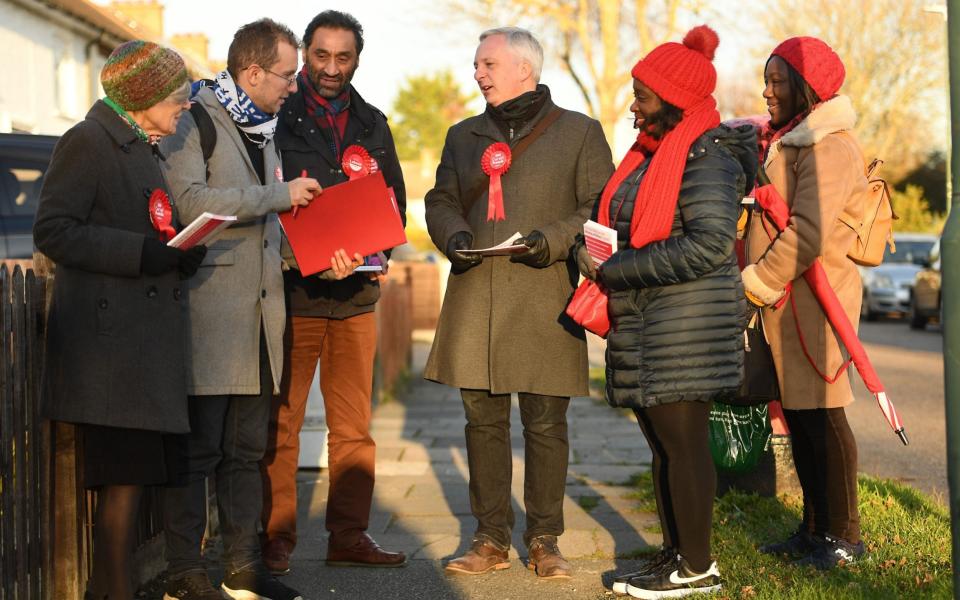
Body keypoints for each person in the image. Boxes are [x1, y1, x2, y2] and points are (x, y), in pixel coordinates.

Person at [158, 19, 343, 600]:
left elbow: (270, 232)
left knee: (245, 454)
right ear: (253, 72)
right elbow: (189, 201)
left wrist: (316, 259)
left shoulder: (262, 125)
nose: (296, 86)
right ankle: (186, 573)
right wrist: (276, 196)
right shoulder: (191, 120)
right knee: (197, 455)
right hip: (209, 320)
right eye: (288, 75)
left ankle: (241, 569)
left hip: (262, 326)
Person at [424, 26, 613, 579]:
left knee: (546, 425)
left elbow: (597, 208)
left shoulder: (579, 133)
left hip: (544, 296)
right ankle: (488, 539)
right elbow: (440, 198)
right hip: (475, 294)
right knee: (481, 423)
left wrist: (551, 240)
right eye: (477, 64)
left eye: (487, 63)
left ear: (523, 69)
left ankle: (545, 540)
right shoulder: (463, 136)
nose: (477, 73)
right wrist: (453, 235)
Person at [577, 25, 757, 599]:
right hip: (652, 323)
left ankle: (699, 566)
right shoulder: (654, 157)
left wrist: (617, 269)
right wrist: (595, 251)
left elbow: (706, 246)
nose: (634, 105)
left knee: (683, 447)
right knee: (663, 448)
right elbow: (634, 228)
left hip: (686, 329)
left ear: (675, 101)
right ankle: (675, 555)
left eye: (643, 95)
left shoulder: (706, 159)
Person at [32, 41, 204, 600]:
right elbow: (53, 230)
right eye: (178, 97)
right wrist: (141, 253)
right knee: (122, 490)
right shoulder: (87, 142)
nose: (184, 107)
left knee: (133, 490)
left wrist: (179, 250)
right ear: (145, 95)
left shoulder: (139, 147)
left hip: (138, 350)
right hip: (108, 355)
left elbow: (146, 229)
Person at [260, 9, 407, 574]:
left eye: (342, 58)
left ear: (357, 61)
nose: (330, 68)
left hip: (356, 300)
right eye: (320, 55)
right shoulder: (279, 118)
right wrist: (312, 258)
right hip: (293, 295)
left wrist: (375, 256)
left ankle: (349, 536)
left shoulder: (374, 123)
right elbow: (265, 200)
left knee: (354, 428)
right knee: (283, 421)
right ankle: (276, 540)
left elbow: (391, 199)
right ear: (306, 53)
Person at [743, 36, 868, 570]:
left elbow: (809, 229)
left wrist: (760, 279)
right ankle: (814, 530)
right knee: (799, 414)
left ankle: (845, 538)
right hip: (789, 300)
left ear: (806, 86)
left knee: (825, 416)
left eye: (778, 82)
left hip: (816, 300)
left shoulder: (828, 143)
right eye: (766, 80)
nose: (767, 91)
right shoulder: (793, 138)